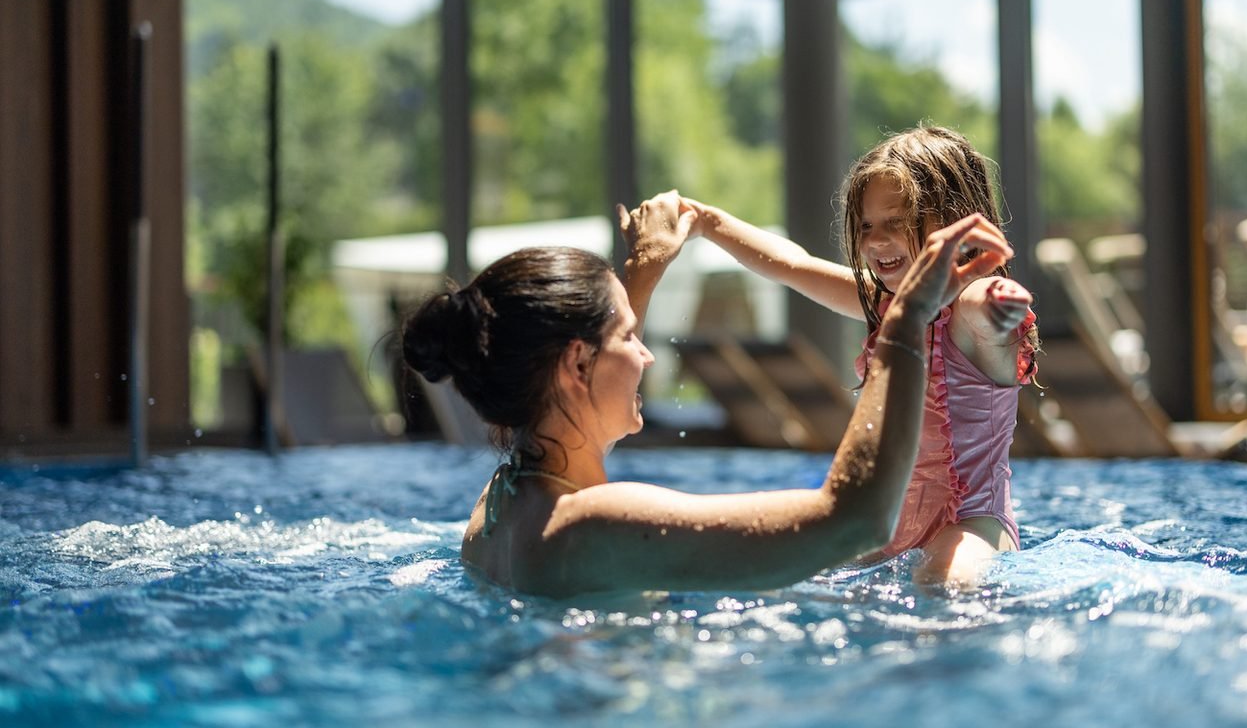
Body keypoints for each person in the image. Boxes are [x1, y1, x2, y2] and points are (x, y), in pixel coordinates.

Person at [400, 191, 1016, 599]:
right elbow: (854, 521)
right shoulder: (598, 525)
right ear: (575, 365)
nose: (645, 354)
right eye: (628, 337)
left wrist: (644, 267)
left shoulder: (500, 505)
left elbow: (567, 417)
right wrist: (905, 322)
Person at [680, 125, 1039, 586]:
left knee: (943, 580)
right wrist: (707, 221)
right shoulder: (887, 305)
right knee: (793, 569)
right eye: (867, 226)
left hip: (972, 522)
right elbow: (793, 265)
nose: (875, 241)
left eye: (897, 222)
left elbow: (982, 304)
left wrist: (999, 302)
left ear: (952, 222)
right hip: (890, 523)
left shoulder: (968, 310)